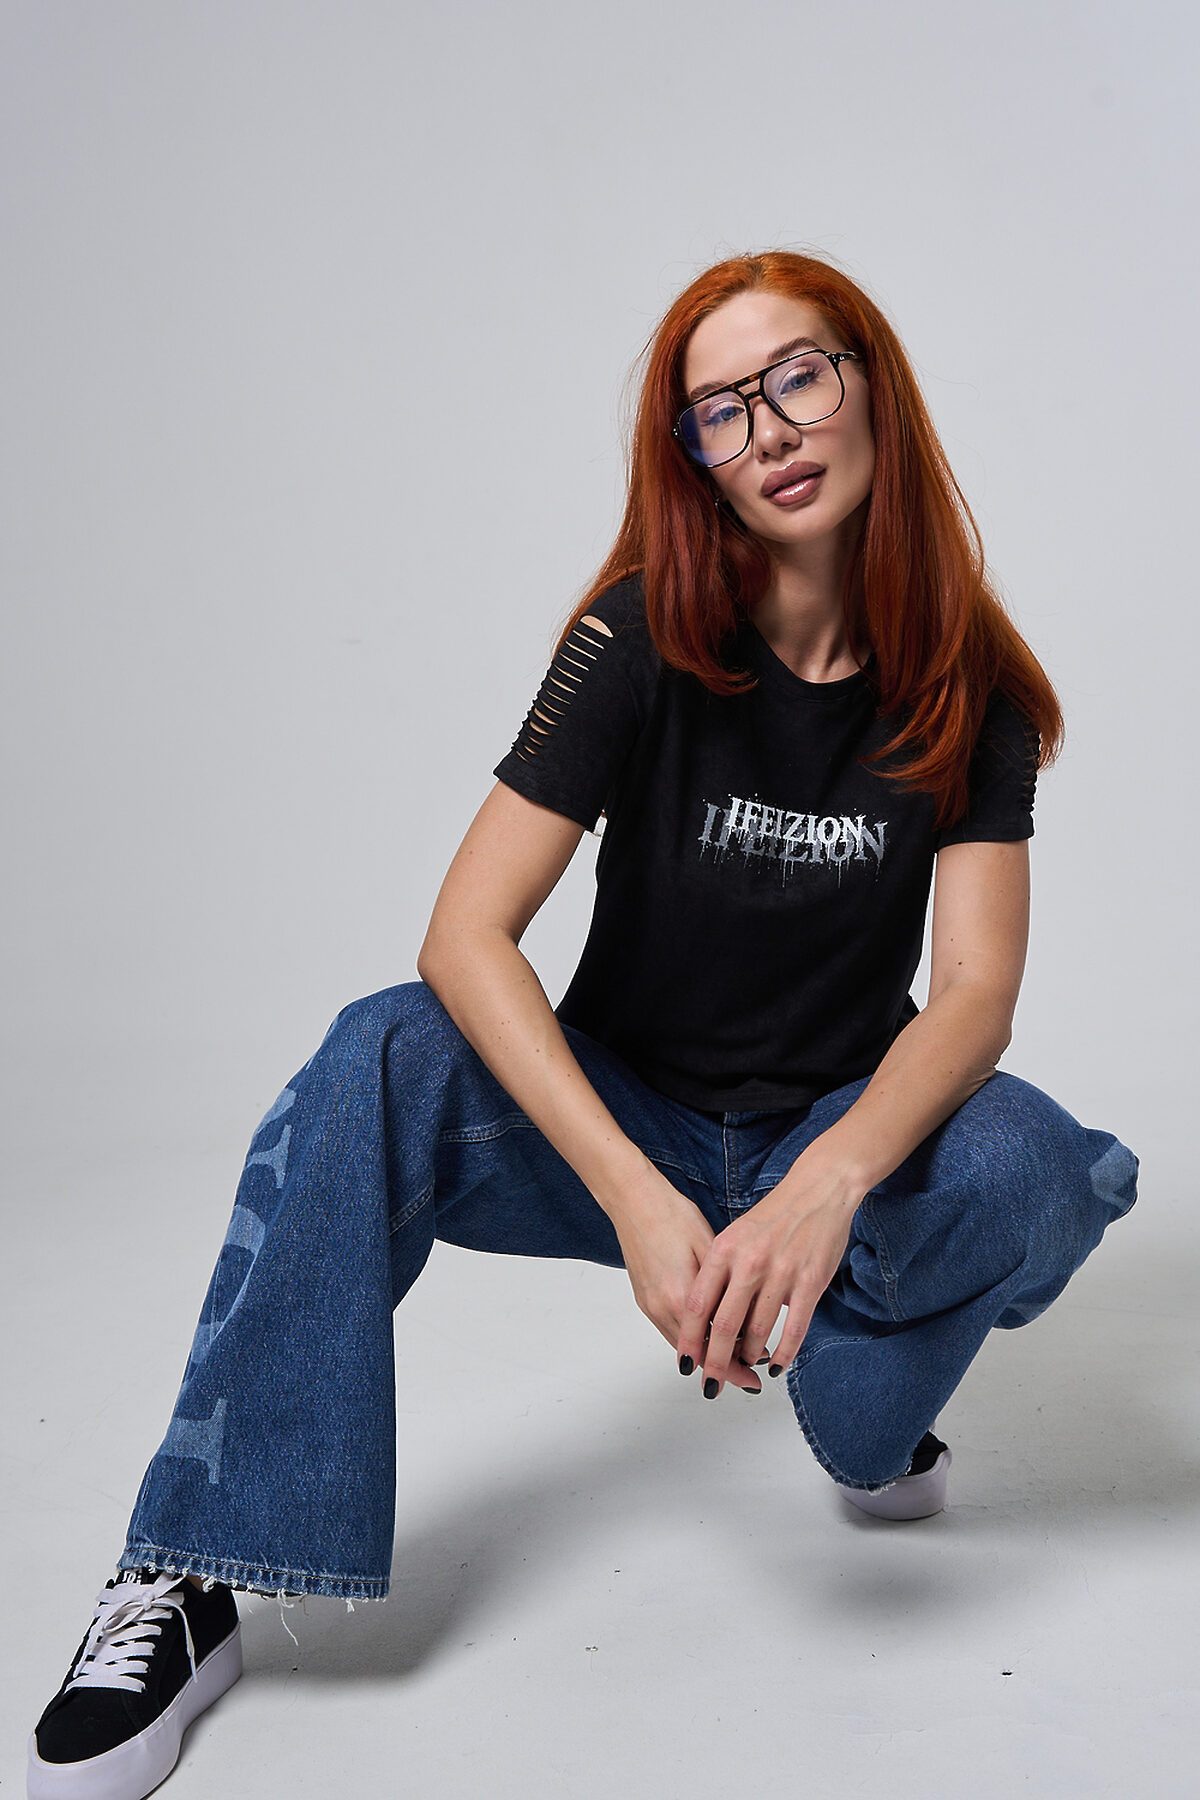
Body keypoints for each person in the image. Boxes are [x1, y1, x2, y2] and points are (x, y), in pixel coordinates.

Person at [26, 249, 1140, 1798]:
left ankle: (871, 1410)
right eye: (721, 411)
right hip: (623, 1124)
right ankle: (195, 1564)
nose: (770, 430)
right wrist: (635, 1196)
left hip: (833, 1145)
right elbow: (464, 938)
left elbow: (973, 998)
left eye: (798, 377)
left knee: (1029, 1166)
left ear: (871, 386)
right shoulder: (640, 635)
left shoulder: (971, 685)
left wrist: (824, 1192)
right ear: (696, 459)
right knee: (377, 1050)